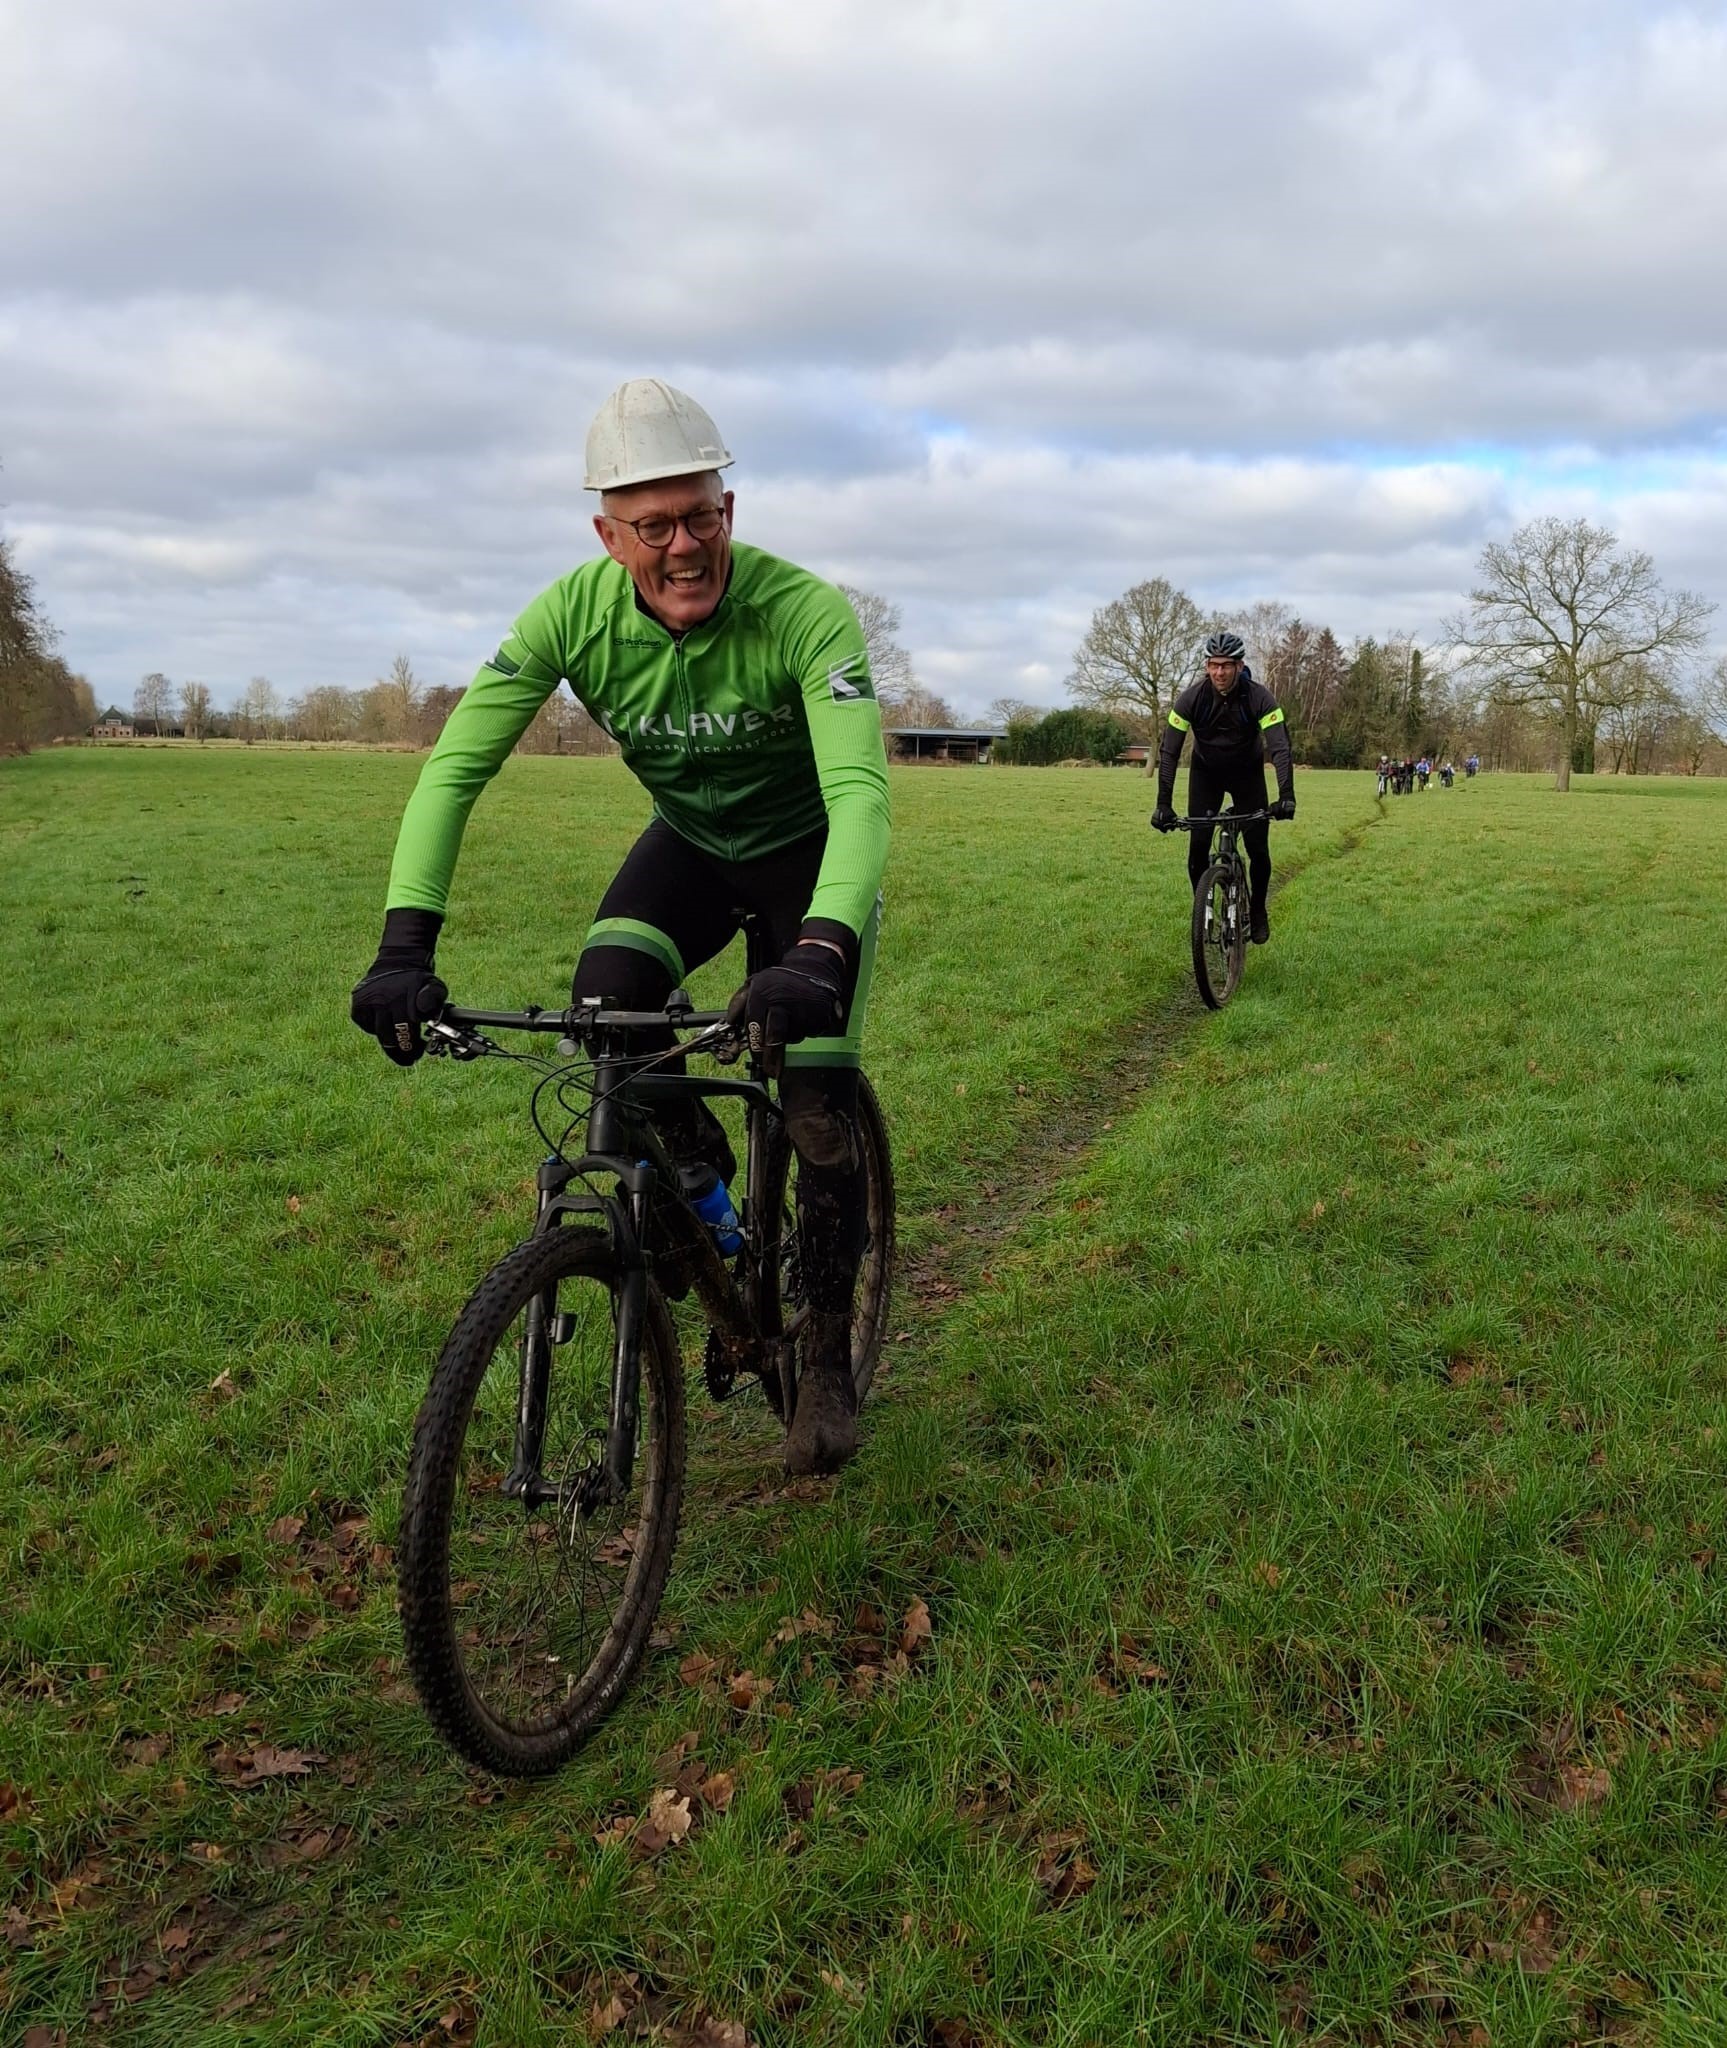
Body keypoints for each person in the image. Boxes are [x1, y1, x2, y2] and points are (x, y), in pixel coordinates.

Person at [350, 378, 891, 1477]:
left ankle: (826, 1347)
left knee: (816, 1100)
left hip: (807, 852)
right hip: (690, 845)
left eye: (700, 515)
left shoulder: (804, 613)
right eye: (652, 526)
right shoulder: (569, 618)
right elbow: (455, 767)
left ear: (728, 512)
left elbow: (861, 796)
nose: (682, 545)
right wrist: (405, 944)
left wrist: (823, 948)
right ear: (608, 534)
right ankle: (696, 1184)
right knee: (607, 1016)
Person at [1151, 631, 1295, 944]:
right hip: (1207, 774)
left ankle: (1257, 909)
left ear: (1240, 666)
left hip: (1247, 775)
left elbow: (1280, 747)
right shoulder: (1191, 699)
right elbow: (1170, 752)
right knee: (1198, 846)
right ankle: (1202, 909)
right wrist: (1163, 803)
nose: (1219, 672)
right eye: (1214, 665)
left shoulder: (1260, 697)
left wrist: (1286, 796)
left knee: (1258, 849)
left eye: (1226, 666)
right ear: (1206, 666)